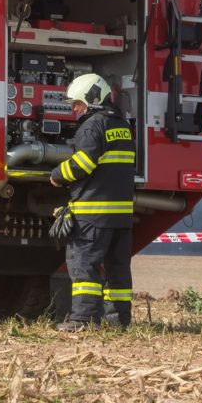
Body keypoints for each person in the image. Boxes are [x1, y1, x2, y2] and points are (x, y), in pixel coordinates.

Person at [49, 73, 136, 331]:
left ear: (92, 99)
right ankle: (118, 321)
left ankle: (83, 320)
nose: (74, 109)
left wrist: (57, 175)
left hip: (92, 214)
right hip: (121, 216)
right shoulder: (121, 125)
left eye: (77, 103)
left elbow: (84, 164)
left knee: (83, 266)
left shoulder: (91, 126)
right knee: (117, 270)